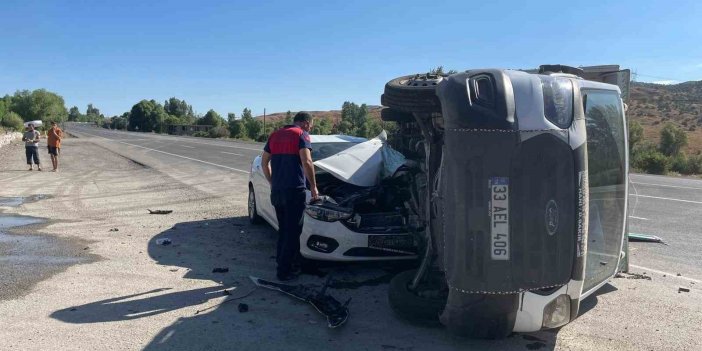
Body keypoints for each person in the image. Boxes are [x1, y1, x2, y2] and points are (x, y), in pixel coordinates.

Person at [261, 112, 319, 281]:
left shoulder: (274, 135)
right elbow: (307, 162)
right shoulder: (302, 135)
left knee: (284, 230)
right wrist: (314, 186)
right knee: (293, 232)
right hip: (294, 190)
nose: (311, 128)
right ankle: (284, 271)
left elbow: (264, 162)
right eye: (311, 125)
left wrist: (272, 182)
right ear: (306, 123)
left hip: (277, 191)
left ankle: (284, 263)